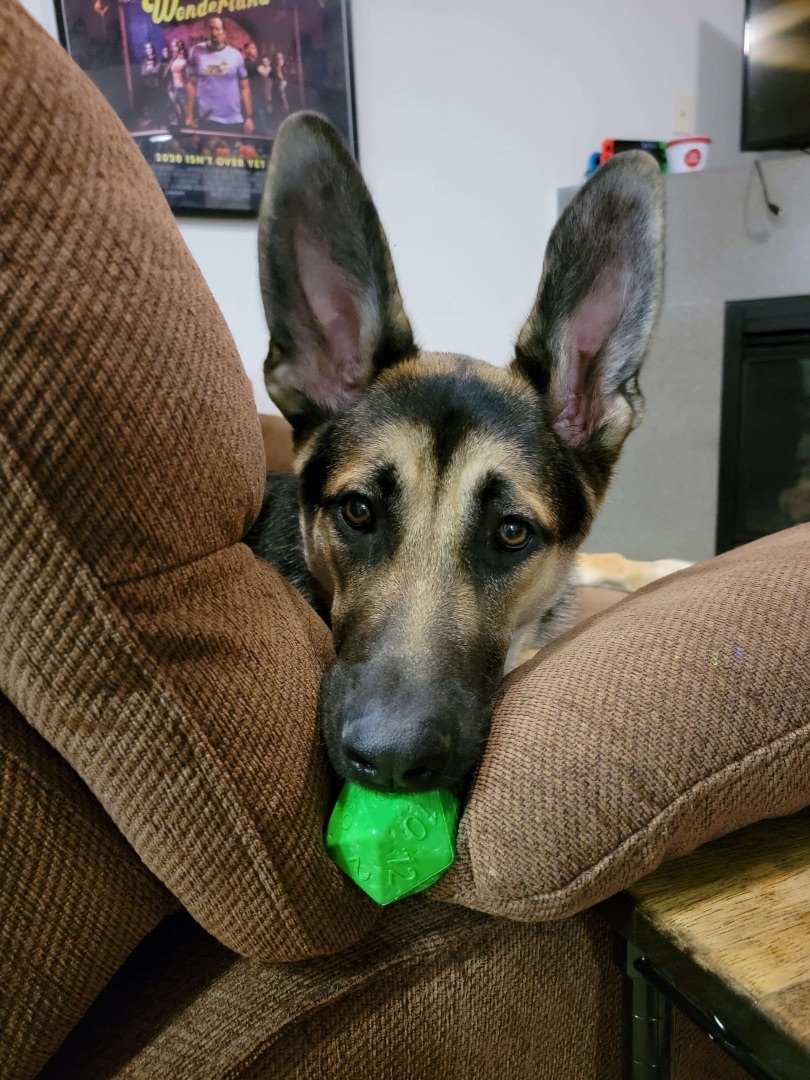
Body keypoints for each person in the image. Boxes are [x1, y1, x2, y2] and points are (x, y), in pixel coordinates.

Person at [186, 17, 253, 135]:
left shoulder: (235, 55)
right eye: (211, 29)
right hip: (207, 119)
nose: (214, 33)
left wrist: (248, 117)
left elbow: (245, 86)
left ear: (224, 33)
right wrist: (189, 114)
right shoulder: (196, 52)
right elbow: (192, 84)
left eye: (217, 29)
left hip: (233, 119)